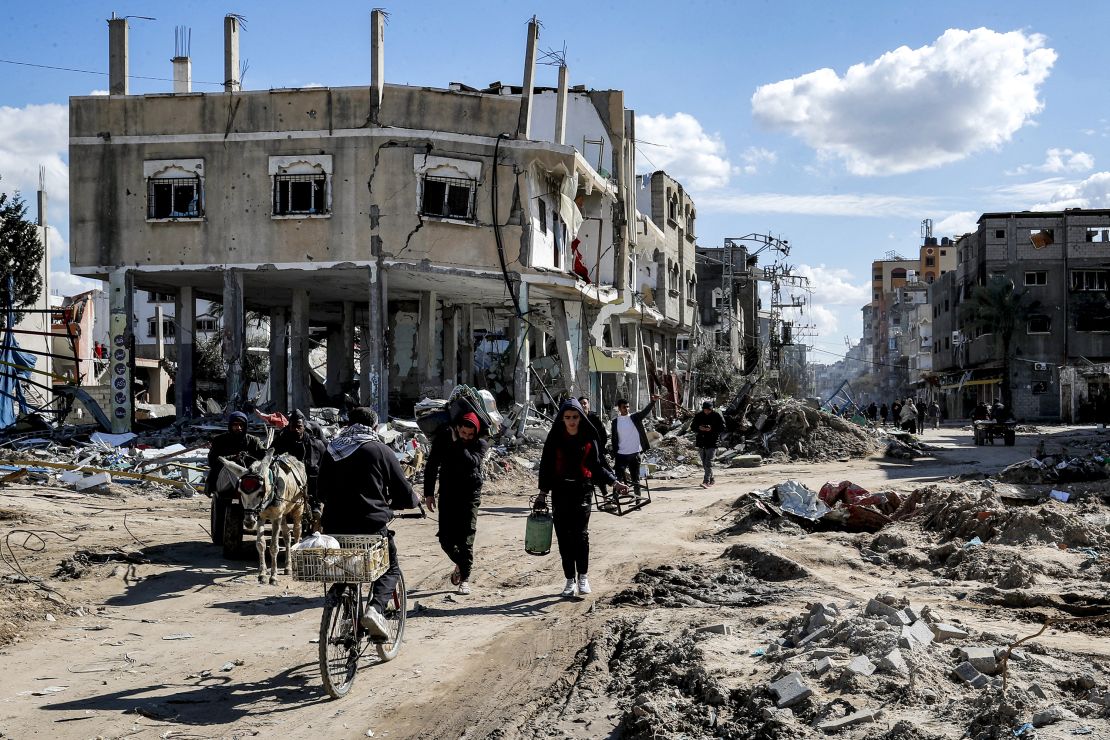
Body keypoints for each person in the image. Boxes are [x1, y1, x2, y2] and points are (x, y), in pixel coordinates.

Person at [318, 407, 420, 638]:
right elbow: (402, 490)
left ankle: (347, 620)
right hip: (370, 526)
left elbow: (321, 492)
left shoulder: (332, 450)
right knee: (390, 566)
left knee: (344, 571)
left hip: (334, 527)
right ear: (373, 427)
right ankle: (375, 610)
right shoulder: (380, 450)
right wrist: (412, 501)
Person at [535, 399, 626, 597]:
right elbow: (546, 466)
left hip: (582, 490)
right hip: (560, 491)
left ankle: (583, 577)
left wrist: (614, 482)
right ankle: (569, 580)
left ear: (580, 417)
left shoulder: (588, 436)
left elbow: (597, 465)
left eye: (575, 417)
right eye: (567, 418)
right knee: (563, 537)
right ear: (562, 418)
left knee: (580, 535)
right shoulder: (555, 438)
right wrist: (543, 493)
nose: (571, 421)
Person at [423, 412, 487, 596]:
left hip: (470, 494)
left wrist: (458, 443)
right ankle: (461, 563)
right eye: (463, 433)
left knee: (466, 537)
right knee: (445, 539)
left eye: (470, 435)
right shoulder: (444, 439)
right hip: (448, 494)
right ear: (457, 428)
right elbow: (432, 465)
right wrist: (428, 493)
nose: (466, 437)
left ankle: (465, 579)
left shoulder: (480, 443)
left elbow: (472, 462)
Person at [271, 410, 327, 518]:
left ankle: (315, 504)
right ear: (289, 427)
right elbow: (271, 454)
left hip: (310, 476)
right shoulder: (282, 440)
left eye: (299, 426)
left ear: (304, 426)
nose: (296, 429)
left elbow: (326, 460)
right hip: (291, 476)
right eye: (293, 427)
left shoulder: (316, 443)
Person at [206, 411, 266, 496]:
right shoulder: (219, 440)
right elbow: (212, 461)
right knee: (231, 466)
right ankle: (243, 490)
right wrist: (233, 458)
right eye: (235, 425)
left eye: (241, 425)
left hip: (249, 475)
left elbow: (262, 456)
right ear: (230, 425)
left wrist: (248, 457)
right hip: (224, 478)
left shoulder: (253, 441)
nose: (238, 428)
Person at [610, 394, 659, 497]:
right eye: (624, 407)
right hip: (621, 454)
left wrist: (653, 402)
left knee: (635, 478)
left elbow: (645, 412)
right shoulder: (615, 422)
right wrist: (614, 452)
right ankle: (615, 498)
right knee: (617, 477)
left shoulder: (634, 418)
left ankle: (638, 499)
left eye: (628, 407)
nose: (626, 409)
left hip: (634, 453)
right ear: (619, 408)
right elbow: (614, 438)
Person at [578, 396, 613, 498]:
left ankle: (606, 496)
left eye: (585, 403)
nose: (583, 405)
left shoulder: (594, 417)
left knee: (601, 473)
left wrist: (600, 448)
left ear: (588, 405)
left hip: (596, 451)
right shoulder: (577, 418)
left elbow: (602, 433)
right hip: (583, 452)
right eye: (581, 404)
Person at [692, 400, 726, 488]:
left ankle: (706, 481)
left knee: (708, 463)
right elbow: (693, 427)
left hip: (713, 442)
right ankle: (712, 479)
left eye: (709, 410)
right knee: (704, 463)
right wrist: (699, 428)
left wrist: (711, 429)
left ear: (712, 409)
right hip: (701, 441)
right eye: (705, 410)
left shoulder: (716, 415)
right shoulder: (699, 416)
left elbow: (723, 427)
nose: (707, 411)